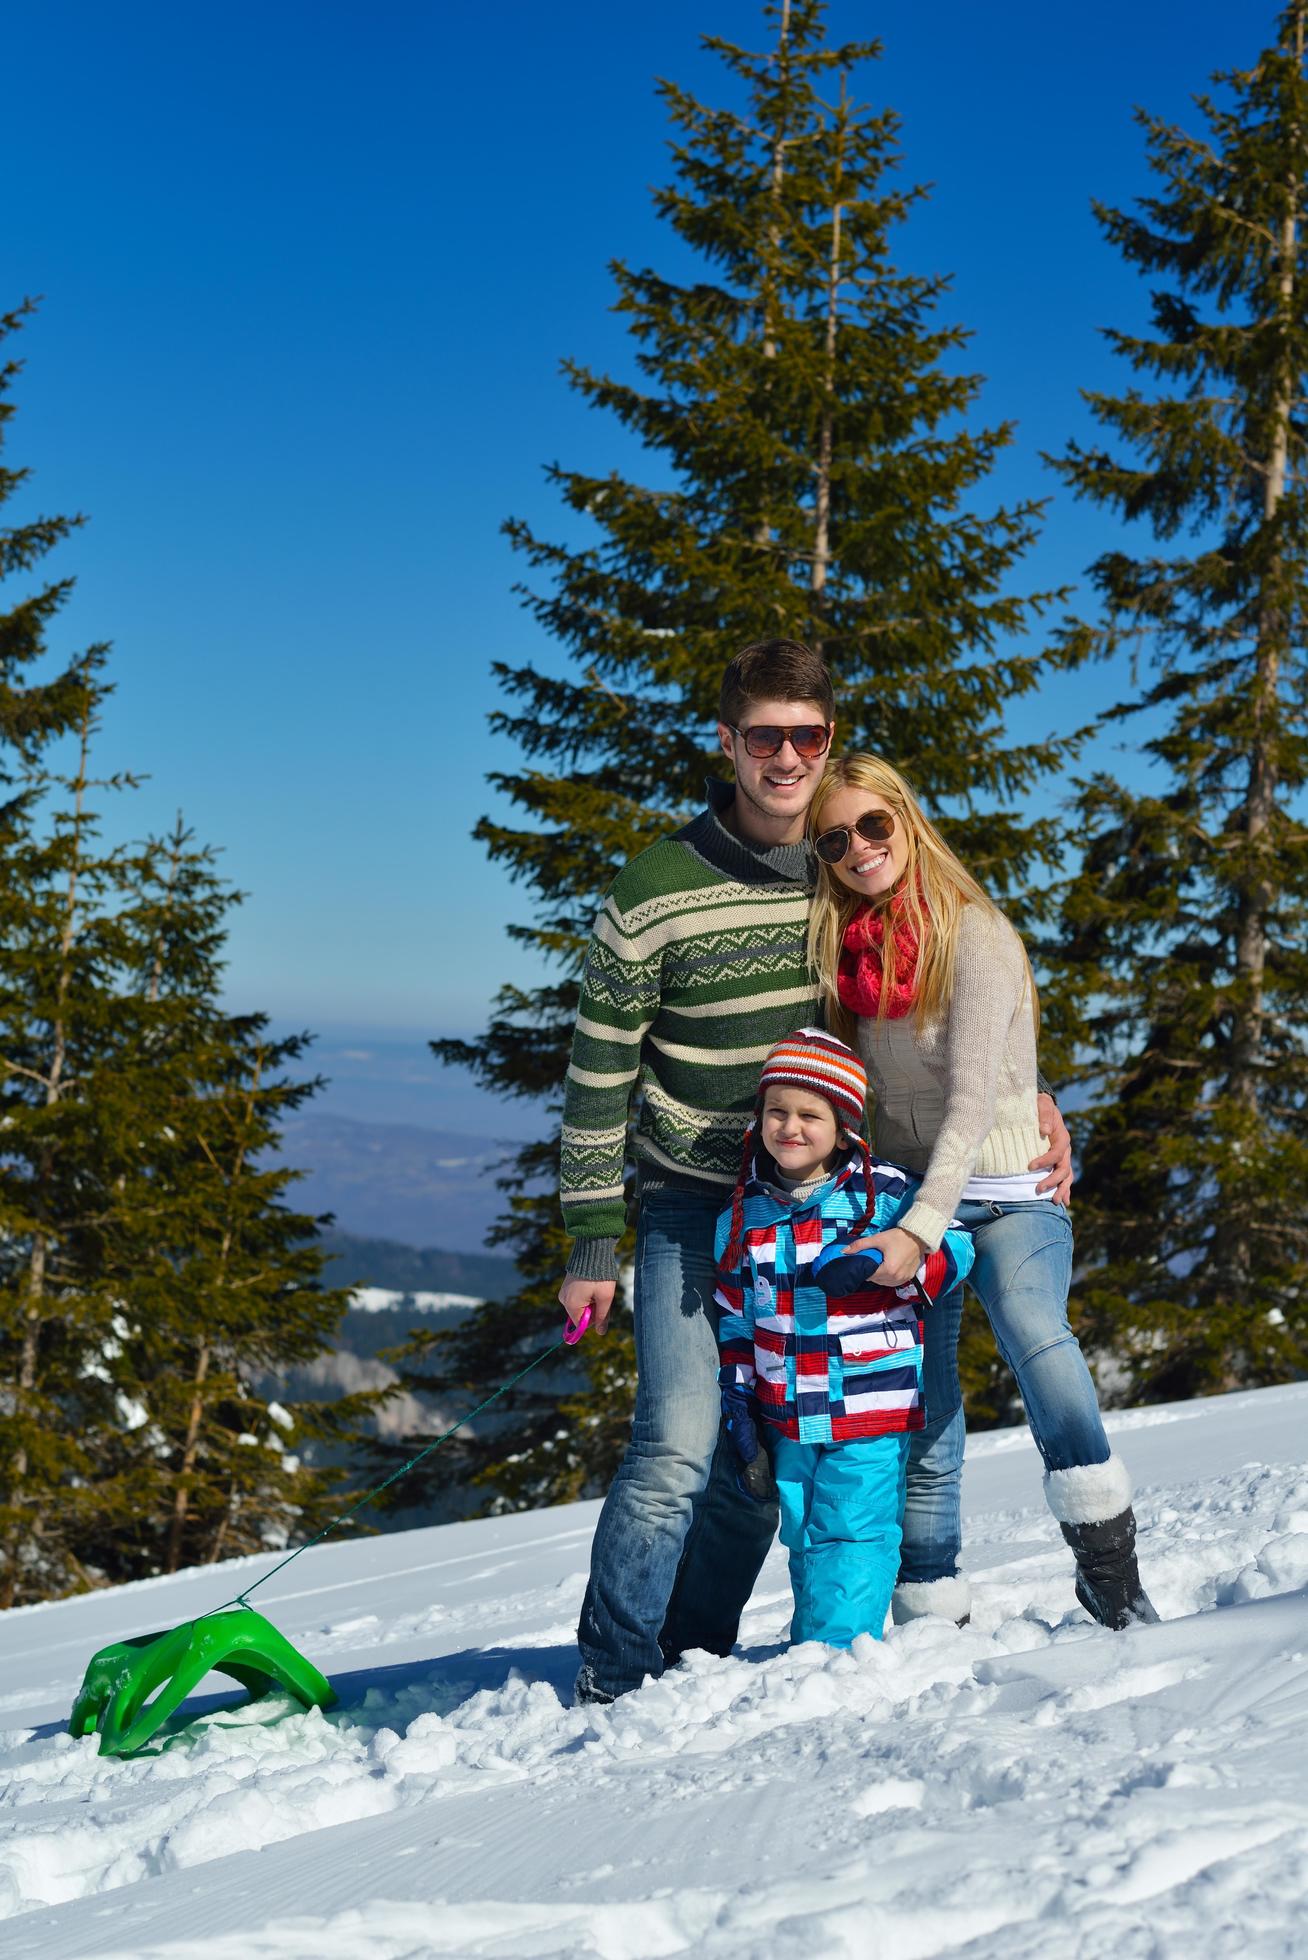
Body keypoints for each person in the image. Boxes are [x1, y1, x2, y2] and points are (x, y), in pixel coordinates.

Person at [559, 640, 1074, 1703]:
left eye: (807, 736)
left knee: (769, 1450)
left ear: (828, 741)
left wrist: (1033, 1097)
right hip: (691, 1202)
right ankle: (614, 1675)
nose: (786, 758)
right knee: (678, 1445)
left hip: (820, 1205)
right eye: (764, 737)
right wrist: (588, 1242)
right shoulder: (654, 889)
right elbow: (596, 1071)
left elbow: (935, 1006)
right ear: (728, 743)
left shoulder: (840, 873)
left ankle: (689, 1655)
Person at [806, 751, 1158, 1631]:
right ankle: (929, 1592)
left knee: (1035, 1333)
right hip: (910, 1195)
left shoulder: (977, 935)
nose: (859, 847)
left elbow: (967, 1105)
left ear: (906, 819)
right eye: (836, 837)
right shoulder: (844, 952)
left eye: (873, 824)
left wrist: (920, 1231)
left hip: (1006, 1187)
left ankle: (1110, 1571)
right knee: (923, 1387)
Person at [715, 1029, 973, 1647]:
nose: (790, 1127)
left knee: (852, 1531)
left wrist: (897, 1261)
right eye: (777, 1110)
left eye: (811, 1115)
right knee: (803, 1533)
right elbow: (735, 1313)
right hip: (788, 1410)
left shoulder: (882, 1194)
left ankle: (837, 1653)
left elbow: (956, 1245)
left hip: (867, 1404)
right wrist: (740, 1394)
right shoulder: (743, 1213)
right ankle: (816, 1641)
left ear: (844, 1126)